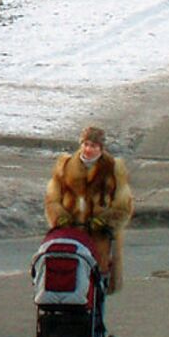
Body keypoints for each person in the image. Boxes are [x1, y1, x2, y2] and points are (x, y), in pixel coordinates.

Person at [45, 126, 133, 295]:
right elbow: (52, 198)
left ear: (101, 148)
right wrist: (60, 217)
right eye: (86, 144)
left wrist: (105, 221)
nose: (88, 149)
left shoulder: (113, 168)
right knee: (70, 278)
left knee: (97, 281)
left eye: (93, 146)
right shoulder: (65, 165)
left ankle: (96, 317)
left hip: (100, 237)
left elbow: (123, 205)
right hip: (70, 233)